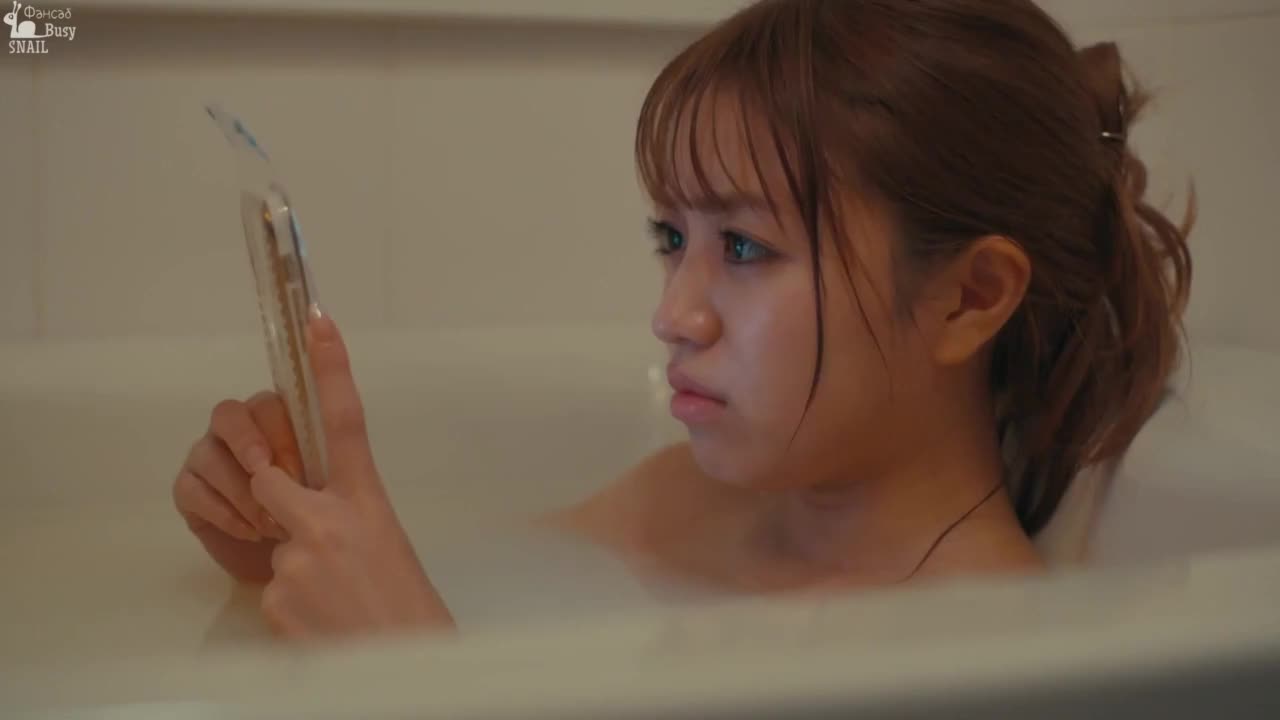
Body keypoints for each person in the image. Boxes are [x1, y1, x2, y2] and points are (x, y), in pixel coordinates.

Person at [172, 0, 1193, 641]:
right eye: (671, 237)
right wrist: (287, 540)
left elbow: (419, 632)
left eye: (742, 247)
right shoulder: (684, 505)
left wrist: (409, 668)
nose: (673, 315)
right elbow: (446, 597)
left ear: (966, 299)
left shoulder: (996, 653)